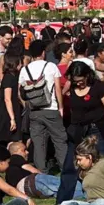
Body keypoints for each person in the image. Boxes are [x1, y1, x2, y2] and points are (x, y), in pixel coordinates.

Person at [20, 38, 67, 171]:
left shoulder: (25, 70)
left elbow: (21, 92)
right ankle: (65, 169)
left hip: (34, 111)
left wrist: (28, 104)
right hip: (50, 108)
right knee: (59, 141)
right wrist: (61, 107)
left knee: (38, 144)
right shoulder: (51, 66)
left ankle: (41, 173)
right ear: (43, 52)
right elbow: (58, 89)